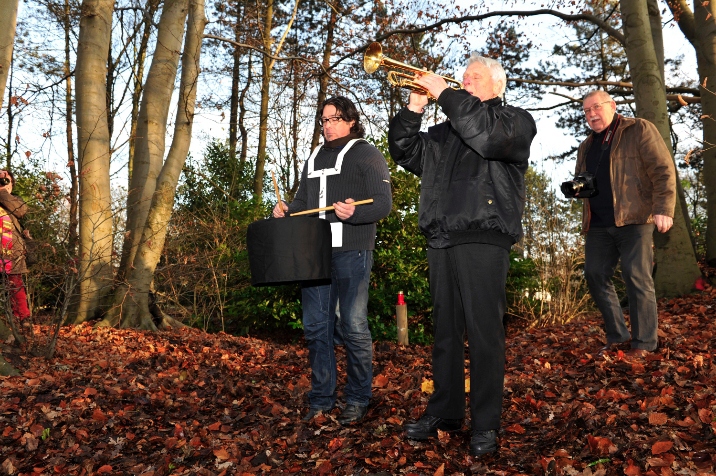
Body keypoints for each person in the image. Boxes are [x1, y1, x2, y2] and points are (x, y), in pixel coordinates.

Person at [388, 56, 536, 456]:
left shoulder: (514, 122)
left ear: (496, 86)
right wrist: (413, 108)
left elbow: (484, 136)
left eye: (474, 77)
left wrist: (446, 92)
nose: (464, 81)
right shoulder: (444, 133)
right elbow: (405, 153)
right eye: (463, 76)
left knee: (485, 333)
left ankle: (486, 422)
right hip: (441, 236)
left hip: (484, 234)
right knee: (446, 333)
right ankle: (446, 412)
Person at [272, 96, 392, 425]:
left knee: (353, 325)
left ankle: (357, 397)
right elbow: (302, 200)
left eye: (335, 118)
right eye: (324, 120)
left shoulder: (367, 154)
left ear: (352, 120)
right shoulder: (312, 158)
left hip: (353, 249)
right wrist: (286, 211)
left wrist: (355, 212)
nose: (328, 125)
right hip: (314, 252)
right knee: (315, 328)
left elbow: (383, 203)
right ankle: (322, 398)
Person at [574, 90, 676, 358]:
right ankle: (618, 336)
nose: (592, 114)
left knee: (636, 275)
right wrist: (578, 188)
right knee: (595, 274)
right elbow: (586, 179)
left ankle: (644, 344)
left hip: (635, 217)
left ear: (612, 105)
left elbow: (662, 169)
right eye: (586, 111)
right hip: (598, 224)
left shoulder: (638, 128)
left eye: (596, 107)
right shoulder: (586, 145)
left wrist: (663, 208)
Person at [0, 169, 31, 326]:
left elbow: (21, 210)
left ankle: (23, 320)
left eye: (7, 181)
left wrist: (2, 192)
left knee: (16, 286)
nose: (5, 185)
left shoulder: (15, 200)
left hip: (13, 251)